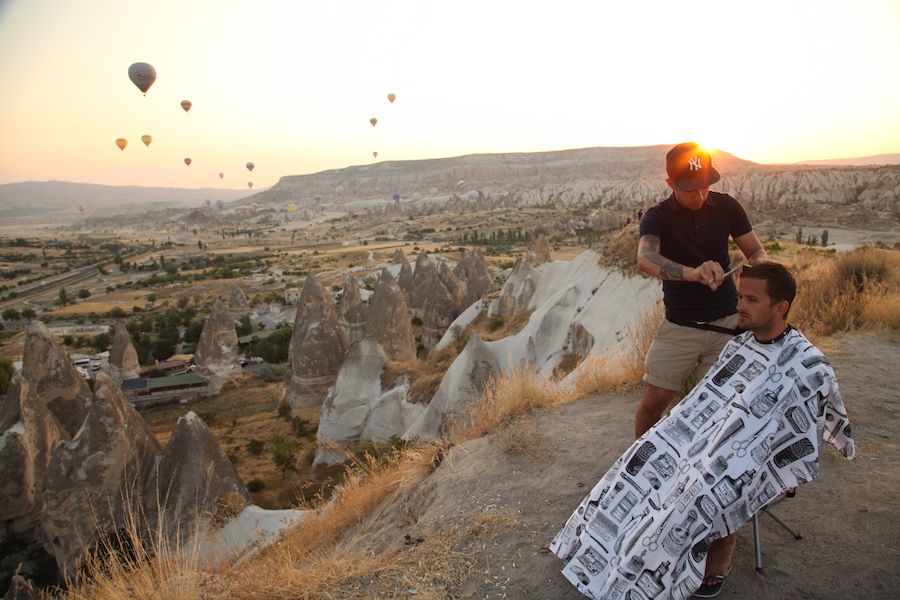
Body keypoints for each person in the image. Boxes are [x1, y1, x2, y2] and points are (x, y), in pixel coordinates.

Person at [550, 263, 855, 600]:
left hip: (753, 460)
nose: (739, 305)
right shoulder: (741, 344)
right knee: (643, 456)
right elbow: (702, 401)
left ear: (780, 306)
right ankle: (600, 547)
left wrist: (725, 457)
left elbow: (797, 436)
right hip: (708, 441)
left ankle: (719, 547)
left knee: (700, 491)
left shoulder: (808, 365)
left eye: (751, 299)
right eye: (739, 296)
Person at [635, 143, 769, 590]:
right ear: (671, 184)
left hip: (727, 325)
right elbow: (645, 258)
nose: (699, 196)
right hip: (679, 325)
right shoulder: (656, 216)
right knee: (652, 406)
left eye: (705, 186)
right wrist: (690, 273)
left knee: (725, 415)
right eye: (689, 189)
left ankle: (720, 520)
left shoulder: (727, 206)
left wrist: (762, 282)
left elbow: (756, 253)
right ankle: (641, 476)